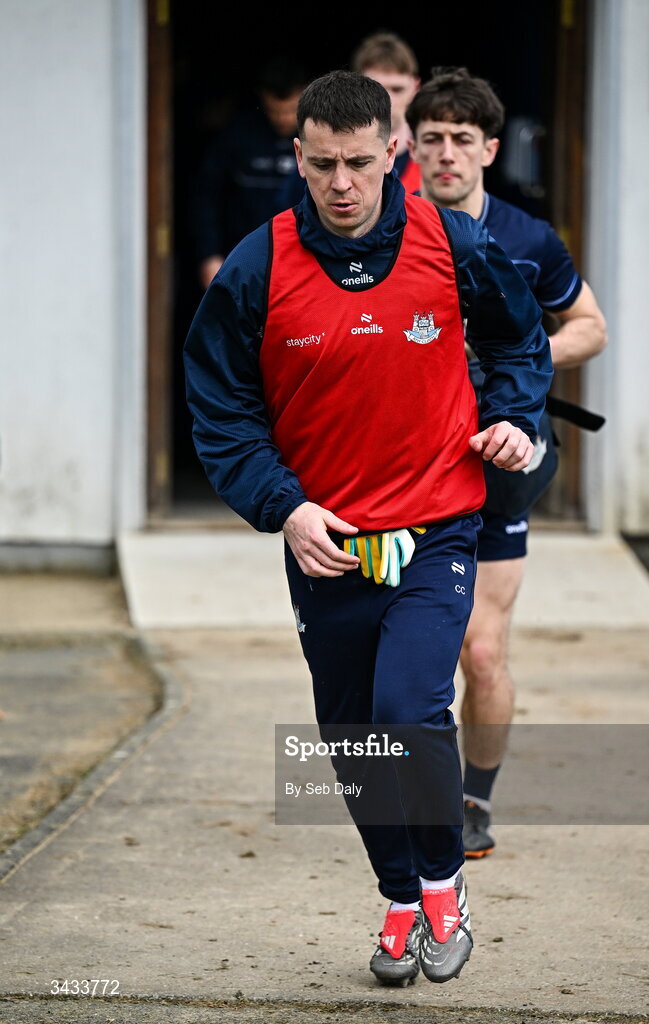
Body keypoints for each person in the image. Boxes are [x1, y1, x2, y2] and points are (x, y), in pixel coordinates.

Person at [184, 70, 553, 987]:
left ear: (395, 153)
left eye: (358, 162)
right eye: (321, 166)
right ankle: (397, 896)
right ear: (297, 160)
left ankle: (440, 886)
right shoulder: (255, 265)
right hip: (327, 539)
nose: (341, 184)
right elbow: (221, 408)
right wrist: (285, 506)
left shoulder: (454, 241)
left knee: (405, 714)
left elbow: (517, 341)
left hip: (436, 523)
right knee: (350, 737)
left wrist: (516, 417)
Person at [406, 67, 607, 858]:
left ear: (490, 148)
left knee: (481, 649)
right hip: (404, 467)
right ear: (407, 149)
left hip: (502, 467)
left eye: (462, 140)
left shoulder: (527, 239)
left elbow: (589, 326)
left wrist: (520, 361)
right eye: (432, 140)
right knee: (396, 650)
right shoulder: (379, 236)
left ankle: (472, 801)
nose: (446, 154)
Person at [193, 58, 308, 290]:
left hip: (305, 257)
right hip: (242, 256)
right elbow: (207, 197)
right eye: (275, 111)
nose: (283, 119)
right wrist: (209, 254)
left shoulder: (319, 137)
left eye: (290, 111)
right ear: (262, 97)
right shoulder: (237, 135)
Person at [279, 32, 421, 209]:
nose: (388, 100)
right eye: (377, 88)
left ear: (416, 87)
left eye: (397, 89)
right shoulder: (314, 162)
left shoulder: (434, 160)